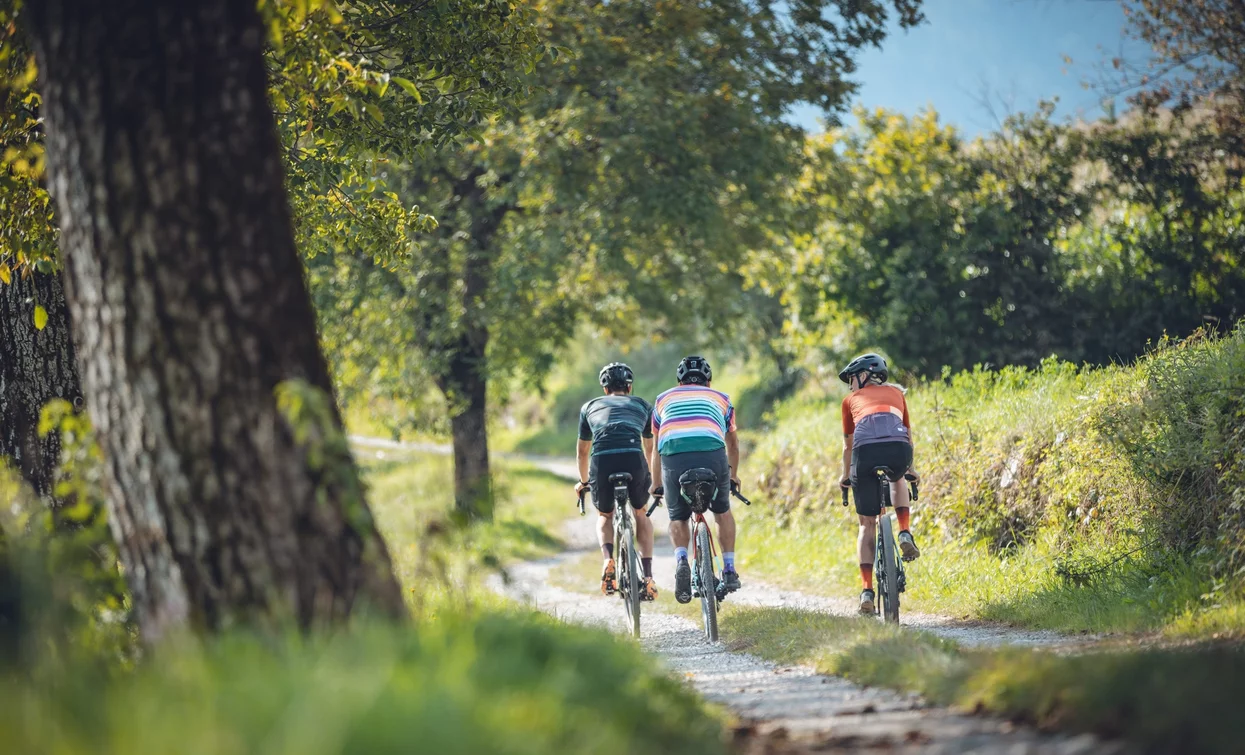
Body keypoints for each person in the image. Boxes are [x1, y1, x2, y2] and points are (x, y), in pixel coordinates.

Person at [649, 355, 742, 604]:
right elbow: (732, 444)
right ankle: (730, 569)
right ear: (708, 382)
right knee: (722, 512)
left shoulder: (661, 400)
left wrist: (656, 484)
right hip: (712, 453)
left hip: (674, 456)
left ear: (679, 382)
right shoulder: (722, 399)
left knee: (677, 517)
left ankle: (681, 559)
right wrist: (732, 476)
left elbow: (656, 448)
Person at [837, 352, 921, 615]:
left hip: (864, 452)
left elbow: (848, 445)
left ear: (863, 376)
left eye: (852, 379)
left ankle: (867, 592)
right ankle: (905, 531)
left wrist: (844, 475)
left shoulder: (850, 400)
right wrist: (911, 469)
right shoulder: (898, 394)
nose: (850, 386)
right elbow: (907, 434)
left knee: (866, 523)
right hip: (898, 448)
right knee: (898, 477)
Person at [575, 362, 659, 600]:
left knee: (605, 516)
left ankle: (607, 560)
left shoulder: (589, 407)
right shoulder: (642, 405)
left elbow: (582, 452)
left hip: (602, 461)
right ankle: (649, 576)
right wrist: (652, 478)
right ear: (629, 387)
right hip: (633, 457)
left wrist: (584, 482)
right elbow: (650, 448)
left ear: (604, 388)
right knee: (641, 513)